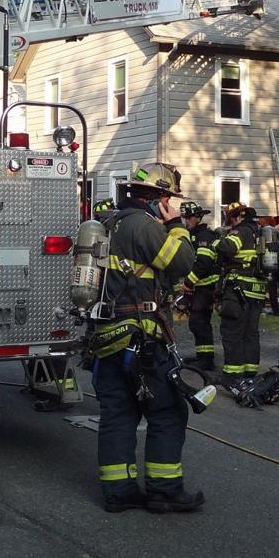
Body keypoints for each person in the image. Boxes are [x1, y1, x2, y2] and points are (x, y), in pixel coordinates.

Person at [89, 162, 204, 514]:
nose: (171, 205)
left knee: (118, 414)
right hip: (143, 338)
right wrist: (176, 226)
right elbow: (182, 263)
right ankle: (164, 491)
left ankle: (119, 491)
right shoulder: (144, 225)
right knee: (167, 411)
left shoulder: (109, 223)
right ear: (159, 198)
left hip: (107, 336)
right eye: (169, 199)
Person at [215, 201, 266, 385]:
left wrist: (217, 241)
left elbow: (227, 247)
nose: (231, 223)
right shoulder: (260, 232)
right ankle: (250, 371)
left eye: (231, 219)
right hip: (258, 291)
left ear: (238, 217)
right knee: (250, 332)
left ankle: (232, 374)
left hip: (238, 290)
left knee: (232, 331)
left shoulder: (241, 231)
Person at [179, 201, 219, 372]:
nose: (186, 221)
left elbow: (203, 263)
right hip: (200, 288)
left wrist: (188, 282)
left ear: (198, 217)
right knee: (198, 323)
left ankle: (206, 360)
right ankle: (202, 356)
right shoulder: (193, 235)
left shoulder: (204, 236)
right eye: (184, 217)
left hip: (206, 288)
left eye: (189, 217)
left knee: (199, 322)